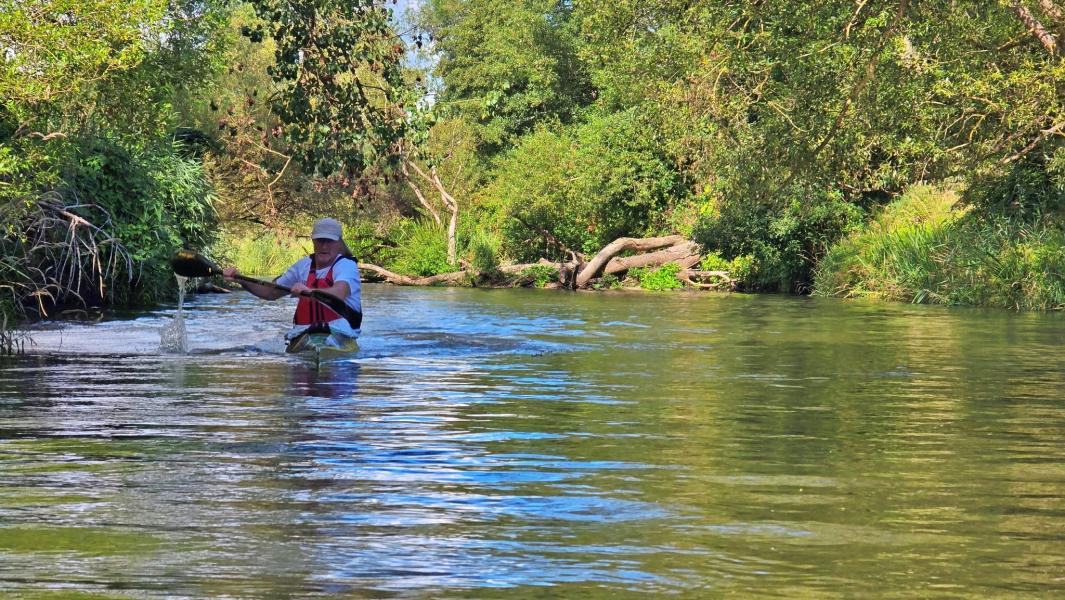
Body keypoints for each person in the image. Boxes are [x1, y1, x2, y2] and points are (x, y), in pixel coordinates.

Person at [223, 218, 362, 348]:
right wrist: (239, 279)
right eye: (320, 240)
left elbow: (339, 292)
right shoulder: (302, 266)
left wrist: (309, 292)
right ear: (313, 241)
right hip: (305, 333)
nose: (324, 246)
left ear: (339, 243)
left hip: (341, 333)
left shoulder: (346, 265)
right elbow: (270, 292)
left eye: (329, 241)